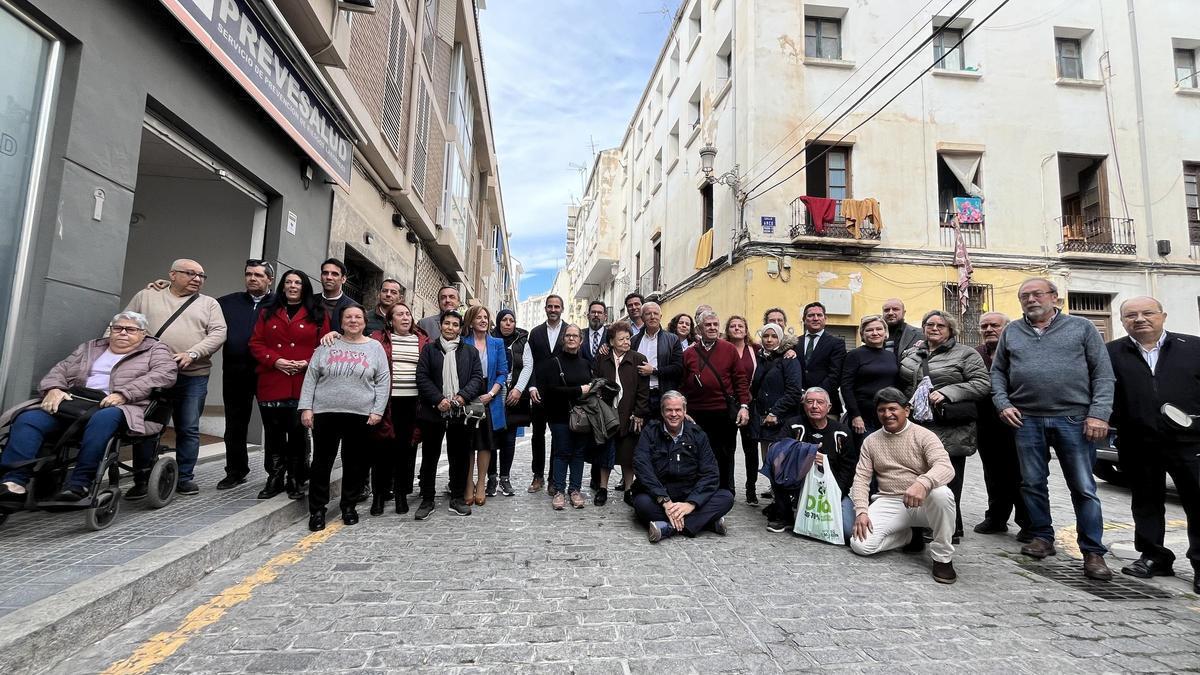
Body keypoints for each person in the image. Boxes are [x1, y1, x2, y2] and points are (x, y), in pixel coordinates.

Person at [991, 277, 1116, 580]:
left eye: (1037, 294)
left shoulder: (1081, 328)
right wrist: (1003, 403)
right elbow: (998, 373)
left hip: (1073, 418)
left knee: (1084, 488)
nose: (1031, 300)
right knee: (1032, 482)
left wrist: (1099, 414)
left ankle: (1093, 552)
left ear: (1054, 298)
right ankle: (1042, 537)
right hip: (1027, 419)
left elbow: (1103, 374)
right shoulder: (1012, 331)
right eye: (1024, 296)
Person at [0, 312, 177, 503]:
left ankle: (80, 483)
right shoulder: (91, 347)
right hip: (75, 402)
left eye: (130, 329)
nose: (123, 333)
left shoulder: (156, 349)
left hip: (124, 406)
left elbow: (164, 374)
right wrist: (53, 388)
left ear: (143, 333)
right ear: (111, 330)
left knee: (104, 418)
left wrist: (124, 393)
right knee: (29, 418)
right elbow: (60, 369)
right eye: (118, 328)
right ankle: (14, 483)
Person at [1106, 296, 1199, 592]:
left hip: (1190, 441)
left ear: (1163, 315)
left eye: (1148, 313)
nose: (1140, 319)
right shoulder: (1111, 352)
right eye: (1131, 315)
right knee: (1145, 502)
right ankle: (1153, 556)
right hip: (1138, 440)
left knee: (1198, 502)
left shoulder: (1194, 347)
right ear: (1122, 321)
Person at [125, 258, 227, 497]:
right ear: (172, 275)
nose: (197, 279)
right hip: (151, 376)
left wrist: (193, 352)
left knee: (189, 427)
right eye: (190, 274)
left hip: (192, 376)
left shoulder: (209, 304)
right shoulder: (147, 296)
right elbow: (123, 324)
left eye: (201, 276)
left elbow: (219, 333)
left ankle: (184, 478)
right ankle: (142, 479)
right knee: (146, 427)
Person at [898, 310, 990, 543]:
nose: (935, 328)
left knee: (948, 479)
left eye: (941, 325)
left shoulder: (966, 354)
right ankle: (927, 525)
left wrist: (948, 392)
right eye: (930, 324)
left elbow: (981, 384)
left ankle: (949, 530)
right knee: (921, 475)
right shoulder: (913, 354)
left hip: (950, 426)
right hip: (920, 425)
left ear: (951, 330)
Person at [849, 388, 959, 584]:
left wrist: (923, 483)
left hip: (923, 501)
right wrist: (861, 512)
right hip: (889, 501)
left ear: (906, 410)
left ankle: (942, 557)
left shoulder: (924, 435)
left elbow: (946, 467)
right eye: (882, 410)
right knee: (860, 545)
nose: (887, 414)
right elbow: (861, 479)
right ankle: (909, 535)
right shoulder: (870, 441)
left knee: (942, 494)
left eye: (893, 408)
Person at [299, 305, 390, 531]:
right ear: (341, 322)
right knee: (322, 463)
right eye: (348, 317)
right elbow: (311, 376)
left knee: (355, 464)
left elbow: (383, 380)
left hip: (360, 415)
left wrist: (378, 410)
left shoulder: (374, 347)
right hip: (326, 412)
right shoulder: (328, 344)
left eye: (358, 317)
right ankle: (317, 510)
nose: (353, 320)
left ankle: (348, 506)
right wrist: (306, 408)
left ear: (364, 322)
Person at [248, 270, 322, 500]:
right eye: (288, 282)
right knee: (273, 434)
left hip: (302, 382)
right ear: (281, 286)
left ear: (304, 287)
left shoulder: (316, 313)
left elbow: (326, 346)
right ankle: (275, 476)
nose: (292, 286)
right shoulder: (268, 312)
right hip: (273, 380)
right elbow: (256, 342)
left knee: (298, 433)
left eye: (297, 282)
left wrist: (306, 363)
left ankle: (296, 477)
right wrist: (276, 360)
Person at [632, 391, 734, 541]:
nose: (674, 414)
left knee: (726, 497)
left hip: (690, 494)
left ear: (685, 411)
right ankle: (705, 522)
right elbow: (642, 467)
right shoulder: (650, 432)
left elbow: (711, 474)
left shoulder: (698, 434)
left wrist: (691, 504)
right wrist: (665, 501)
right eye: (669, 410)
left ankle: (668, 528)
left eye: (678, 410)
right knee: (641, 504)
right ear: (662, 412)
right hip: (661, 496)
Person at [413, 311, 485, 520]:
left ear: (461, 328)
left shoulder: (470, 352)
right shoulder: (429, 349)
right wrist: (438, 399)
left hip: (460, 413)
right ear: (441, 325)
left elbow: (477, 378)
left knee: (460, 457)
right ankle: (427, 499)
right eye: (447, 323)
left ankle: (457, 498)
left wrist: (462, 397)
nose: (450, 327)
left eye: (455, 324)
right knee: (430, 457)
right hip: (433, 411)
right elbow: (422, 376)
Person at [765, 388, 855, 540]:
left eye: (820, 402)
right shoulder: (793, 425)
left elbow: (849, 466)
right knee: (776, 467)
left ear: (829, 407)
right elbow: (777, 451)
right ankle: (785, 515)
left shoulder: (842, 432)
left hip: (831, 488)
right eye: (809, 402)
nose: (814, 406)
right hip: (797, 482)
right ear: (803, 405)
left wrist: (836, 492)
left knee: (847, 532)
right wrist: (805, 454)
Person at [215, 260, 275, 490]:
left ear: (270, 279)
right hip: (235, 372)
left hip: (268, 373)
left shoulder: (280, 303)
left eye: (259, 275)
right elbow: (196, 305)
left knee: (273, 425)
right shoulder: (227, 302)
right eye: (249, 274)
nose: (253, 278)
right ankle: (235, 471)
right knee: (235, 425)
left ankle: (274, 472)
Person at [972, 312, 1031, 540]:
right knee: (993, 473)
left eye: (994, 325)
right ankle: (996, 518)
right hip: (987, 424)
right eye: (984, 325)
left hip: (1019, 423)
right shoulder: (976, 354)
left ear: (1007, 327)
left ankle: (1028, 523)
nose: (988, 329)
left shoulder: (1020, 351)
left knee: (1022, 475)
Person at [366, 301, 428, 515]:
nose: (405, 318)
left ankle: (401, 495)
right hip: (385, 402)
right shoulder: (378, 339)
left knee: (406, 451)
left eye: (408, 314)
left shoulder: (422, 340)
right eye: (399, 314)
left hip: (412, 403)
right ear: (390, 321)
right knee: (381, 451)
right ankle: (379, 497)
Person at [681, 311, 750, 492]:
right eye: (707, 325)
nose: (712, 328)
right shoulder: (689, 353)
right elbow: (681, 383)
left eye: (715, 324)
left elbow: (740, 379)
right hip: (696, 411)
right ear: (699, 328)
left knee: (724, 454)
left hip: (722, 411)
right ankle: (700, 489)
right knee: (696, 451)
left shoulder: (729, 349)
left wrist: (744, 406)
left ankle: (725, 491)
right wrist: (683, 409)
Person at [535, 324, 593, 510]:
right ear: (563, 339)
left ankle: (574, 490)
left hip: (582, 416)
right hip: (559, 415)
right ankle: (559, 490)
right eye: (568, 335)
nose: (571, 338)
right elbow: (550, 390)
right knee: (561, 453)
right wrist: (578, 390)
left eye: (575, 336)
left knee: (578, 454)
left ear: (581, 341)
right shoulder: (555, 362)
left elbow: (590, 388)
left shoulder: (585, 363)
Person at [591, 321, 649, 506]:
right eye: (621, 339)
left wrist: (639, 412)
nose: (626, 342)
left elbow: (643, 389)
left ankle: (628, 490)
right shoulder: (603, 358)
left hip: (629, 413)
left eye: (628, 338)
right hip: (607, 412)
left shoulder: (638, 358)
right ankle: (602, 489)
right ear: (612, 341)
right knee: (605, 452)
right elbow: (595, 381)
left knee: (628, 453)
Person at [747, 323, 804, 504]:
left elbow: (794, 391)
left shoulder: (789, 359)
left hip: (781, 419)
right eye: (766, 336)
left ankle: (784, 504)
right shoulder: (761, 358)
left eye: (773, 336)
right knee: (769, 462)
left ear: (780, 338)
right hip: (764, 420)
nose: (769, 340)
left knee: (782, 462)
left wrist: (775, 412)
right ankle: (777, 500)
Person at [462, 305, 507, 505]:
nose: (482, 320)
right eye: (478, 317)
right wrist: (465, 395)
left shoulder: (497, 343)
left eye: (485, 317)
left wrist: (491, 394)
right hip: (467, 395)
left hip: (490, 396)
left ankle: (481, 482)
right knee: (468, 443)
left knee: (486, 443)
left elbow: (502, 372)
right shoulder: (463, 342)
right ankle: (468, 483)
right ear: (470, 321)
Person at [489, 309, 531, 497]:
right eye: (504, 320)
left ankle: (504, 478)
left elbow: (528, 366)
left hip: (515, 395)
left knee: (509, 439)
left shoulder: (523, 340)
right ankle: (491, 477)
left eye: (511, 320)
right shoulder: (489, 338)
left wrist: (518, 389)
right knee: (491, 437)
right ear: (498, 322)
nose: (508, 323)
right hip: (493, 395)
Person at [526, 294, 565, 493]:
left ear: (562, 309)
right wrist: (531, 386)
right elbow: (529, 362)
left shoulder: (569, 331)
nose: (553, 309)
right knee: (537, 436)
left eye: (556, 306)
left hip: (560, 393)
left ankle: (553, 479)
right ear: (545, 309)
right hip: (539, 392)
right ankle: (538, 476)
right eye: (550, 306)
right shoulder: (536, 333)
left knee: (558, 437)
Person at [840, 315, 899, 442]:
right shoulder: (854, 355)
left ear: (885, 332)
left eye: (879, 329)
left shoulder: (891, 356)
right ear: (862, 334)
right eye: (869, 330)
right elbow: (846, 387)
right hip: (864, 418)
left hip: (888, 416)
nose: (875, 333)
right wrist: (855, 415)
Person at [725, 316, 760, 504]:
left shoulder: (755, 350)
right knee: (727, 447)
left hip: (750, 404)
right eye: (733, 326)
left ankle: (751, 488)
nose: (737, 328)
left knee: (751, 448)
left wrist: (789, 352)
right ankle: (728, 488)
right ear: (728, 330)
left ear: (746, 330)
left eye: (740, 326)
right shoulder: (722, 348)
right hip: (728, 404)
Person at [630, 302, 684, 422]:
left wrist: (654, 371)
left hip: (662, 394)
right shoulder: (633, 341)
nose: (652, 316)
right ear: (642, 317)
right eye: (648, 314)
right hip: (640, 397)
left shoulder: (672, 339)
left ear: (661, 316)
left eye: (655, 313)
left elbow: (678, 368)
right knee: (641, 435)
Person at [797, 302, 846, 416]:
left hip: (826, 405)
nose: (815, 318)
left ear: (825, 318)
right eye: (811, 315)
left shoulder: (837, 343)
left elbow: (835, 375)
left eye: (819, 315)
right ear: (804, 319)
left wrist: (812, 395)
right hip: (798, 405)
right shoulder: (795, 343)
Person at [316, 258, 358, 335]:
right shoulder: (309, 301)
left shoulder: (354, 307)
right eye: (325, 273)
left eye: (334, 274)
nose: (329, 277)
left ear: (343, 279)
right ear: (321, 277)